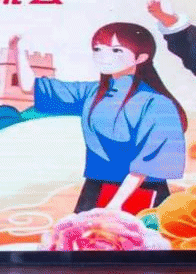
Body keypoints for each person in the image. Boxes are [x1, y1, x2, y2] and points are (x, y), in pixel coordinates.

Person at [30, 22, 186, 214]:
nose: (103, 56)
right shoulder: (92, 92)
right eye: (98, 49)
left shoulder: (156, 103)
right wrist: (16, 50)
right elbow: (34, 88)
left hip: (141, 190)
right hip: (95, 187)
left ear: (141, 57)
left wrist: (115, 204)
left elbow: (148, 163)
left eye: (116, 50)